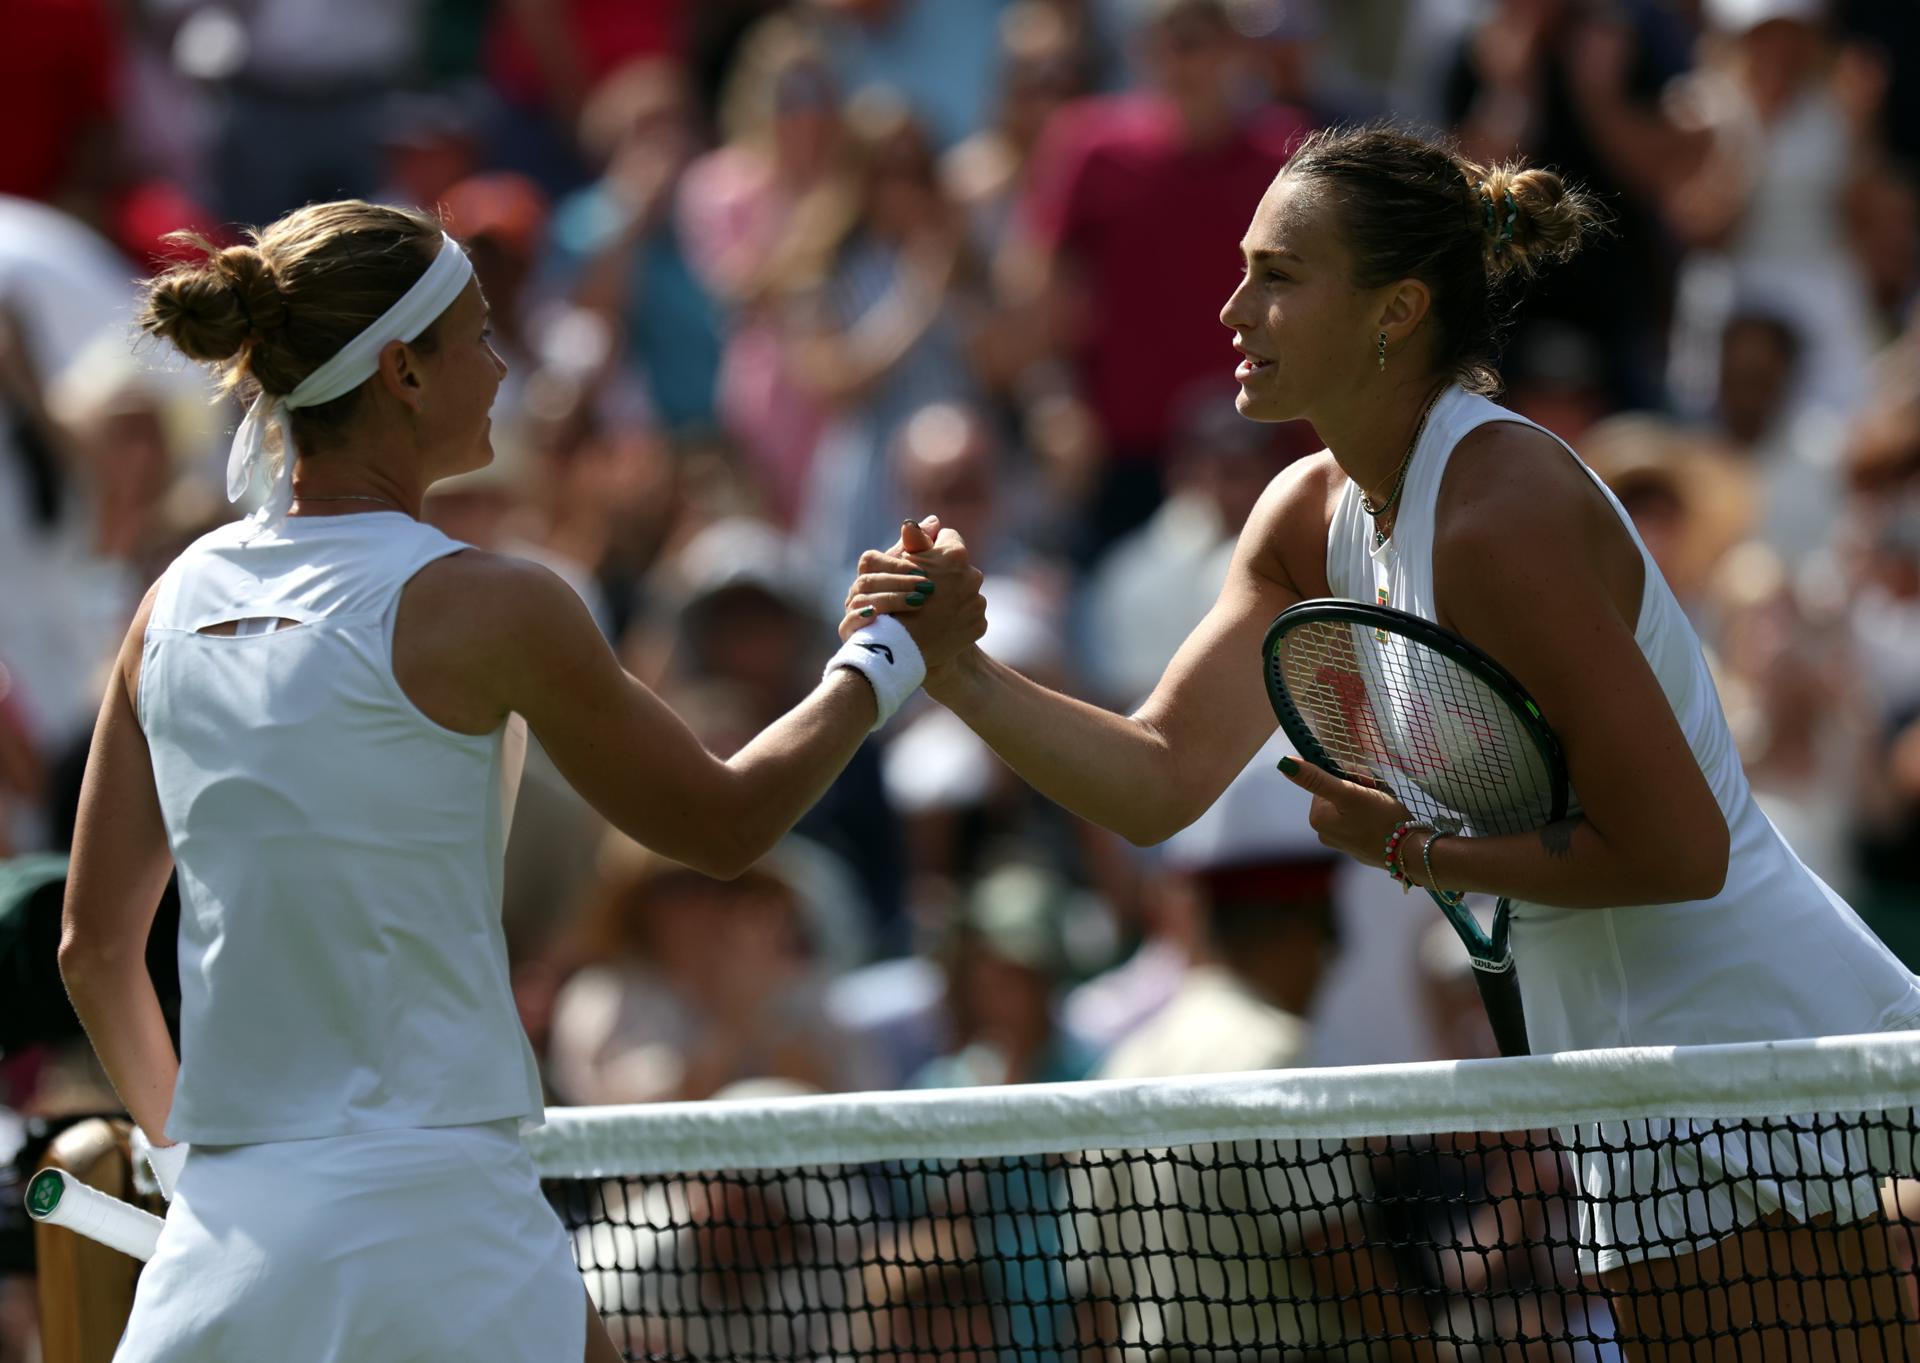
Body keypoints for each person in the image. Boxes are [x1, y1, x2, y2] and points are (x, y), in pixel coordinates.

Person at [848, 125, 1920, 1359]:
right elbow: (1155, 780)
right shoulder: (1305, 516)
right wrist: (961, 672)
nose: (1233, 304)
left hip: (1742, 1037)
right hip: (1617, 1059)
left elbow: (1683, 851)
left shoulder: (1501, 515)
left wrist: (1421, 852)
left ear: (1395, 310)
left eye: (1279, 275)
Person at [56, 198, 984, 1362]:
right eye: (479, 337)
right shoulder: (494, 602)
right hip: (442, 1226)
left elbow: (94, 950)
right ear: (400, 371)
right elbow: (725, 822)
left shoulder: (169, 604)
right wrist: (892, 652)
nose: (502, 368)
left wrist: (197, 1176)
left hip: (224, 1256)